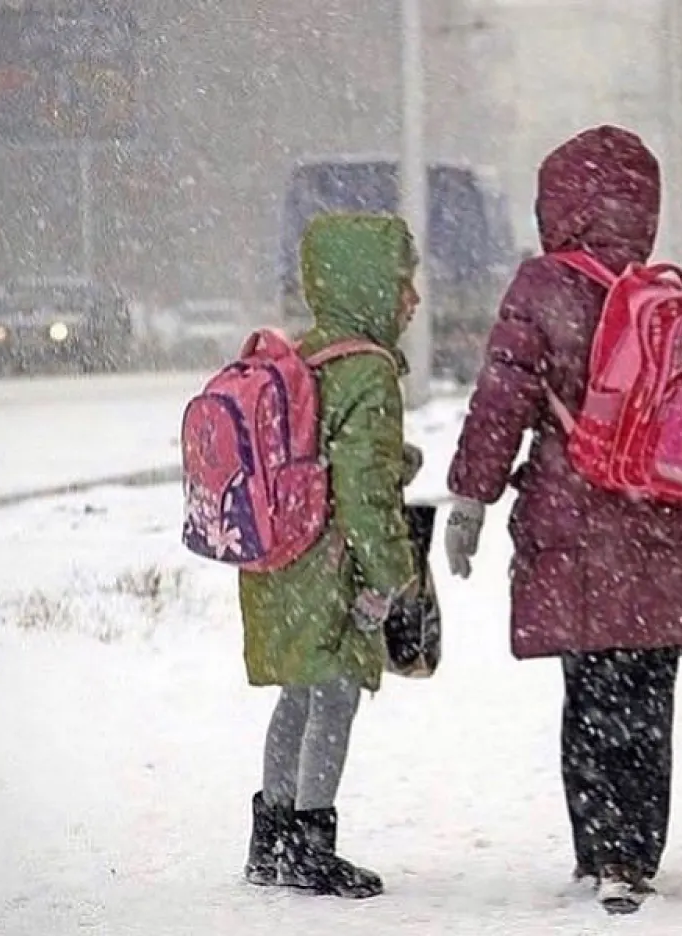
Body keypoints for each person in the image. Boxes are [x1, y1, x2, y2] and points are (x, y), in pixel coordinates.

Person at [441, 125, 682, 913]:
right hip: (659, 525)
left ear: (557, 203)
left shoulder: (542, 287)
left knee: (590, 695)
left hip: (573, 526)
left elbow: (503, 400)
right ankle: (638, 852)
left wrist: (471, 497)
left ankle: (599, 852)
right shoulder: (669, 293)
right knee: (647, 698)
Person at [240, 212, 425, 899]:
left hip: (280, 554)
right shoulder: (369, 372)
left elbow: (318, 449)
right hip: (331, 561)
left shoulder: (305, 355)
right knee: (337, 695)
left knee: (298, 691)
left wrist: (386, 455)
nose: (414, 298)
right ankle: (314, 846)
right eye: (404, 283)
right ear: (370, 285)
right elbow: (363, 494)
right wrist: (392, 577)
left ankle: (272, 840)